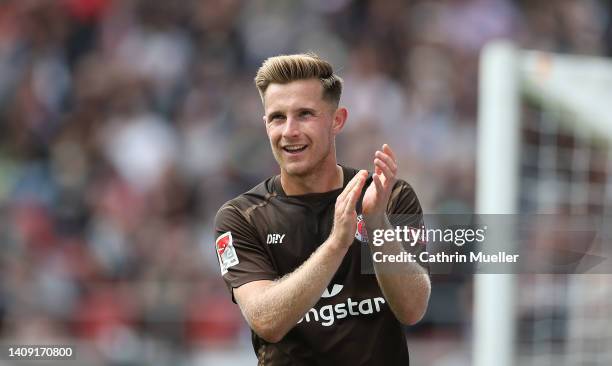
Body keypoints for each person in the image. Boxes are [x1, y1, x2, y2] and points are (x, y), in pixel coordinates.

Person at [214, 53, 430, 365]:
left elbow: (412, 309)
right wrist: (337, 243)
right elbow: (266, 321)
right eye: (277, 117)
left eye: (304, 114)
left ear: (337, 120)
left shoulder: (389, 196)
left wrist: (376, 223)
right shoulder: (241, 217)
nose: (289, 131)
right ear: (265, 125)